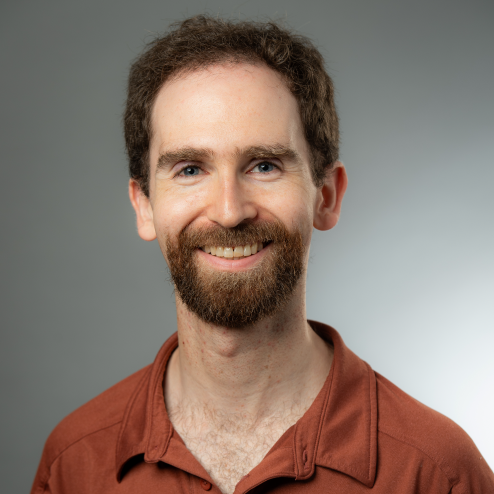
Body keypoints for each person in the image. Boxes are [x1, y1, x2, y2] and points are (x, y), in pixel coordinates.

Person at [31, 15, 494, 494]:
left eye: (265, 165)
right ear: (144, 205)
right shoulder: (73, 463)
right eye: (190, 169)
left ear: (327, 196)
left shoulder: (439, 474)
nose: (229, 211)